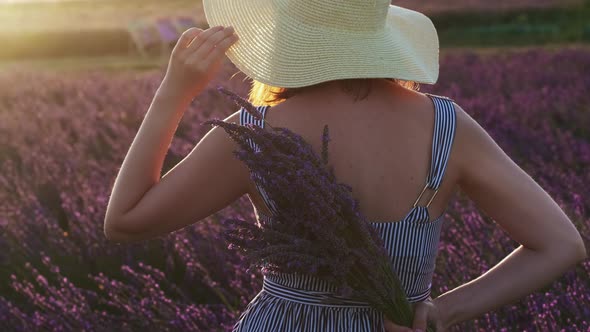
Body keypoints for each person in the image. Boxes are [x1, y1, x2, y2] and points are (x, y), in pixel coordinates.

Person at [103, 0, 588, 331]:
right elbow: (561, 244)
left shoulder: (258, 132)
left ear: (287, 33)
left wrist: (174, 93)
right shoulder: (447, 127)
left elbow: (125, 221)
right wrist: (441, 312)